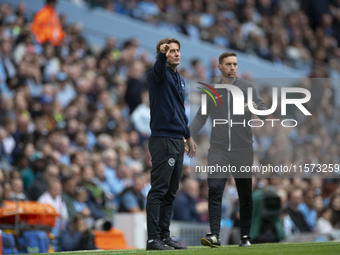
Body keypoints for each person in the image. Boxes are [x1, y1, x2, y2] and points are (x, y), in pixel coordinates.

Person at [190, 52, 268, 247]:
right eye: (228, 64)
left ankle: (245, 237)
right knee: (215, 188)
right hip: (218, 149)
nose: (233, 67)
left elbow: (265, 112)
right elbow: (201, 117)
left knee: (245, 194)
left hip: (242, 149)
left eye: (235, 64)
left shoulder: (248, 88)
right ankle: (214, 235)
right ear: (220, 67)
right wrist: (188, 134)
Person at [145, 37, 196, 250]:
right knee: (159, 189)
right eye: (171, 51)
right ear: (164, 54)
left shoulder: (180, 79)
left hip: (176, 138)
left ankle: (164, 236)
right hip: (162, 139)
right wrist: (161, 54)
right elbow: (157, 69)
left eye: (177, 51)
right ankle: (153, 239)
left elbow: (180, 109)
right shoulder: (158, 75)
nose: (176, 54)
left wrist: (188, 135)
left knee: (171, 191)